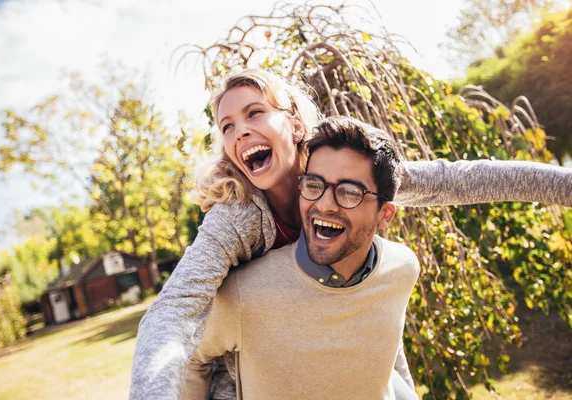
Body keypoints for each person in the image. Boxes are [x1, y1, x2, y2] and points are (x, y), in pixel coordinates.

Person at [130, 69, 572, 400]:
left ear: (295, 125)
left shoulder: (346, 171)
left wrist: (565, 187)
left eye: (254, 112)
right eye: (226, 126)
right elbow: (173, 311)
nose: (239, 129)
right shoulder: (237, 217)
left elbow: (459, 180)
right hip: (255, 362)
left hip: (349, 313)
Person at [181, 116, 419, 399]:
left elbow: (389, 351)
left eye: (349, 192)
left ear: (385, 215)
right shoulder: (243, 294)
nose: (325, 204)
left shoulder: (402, 267)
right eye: (314, 185)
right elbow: (189, 357)